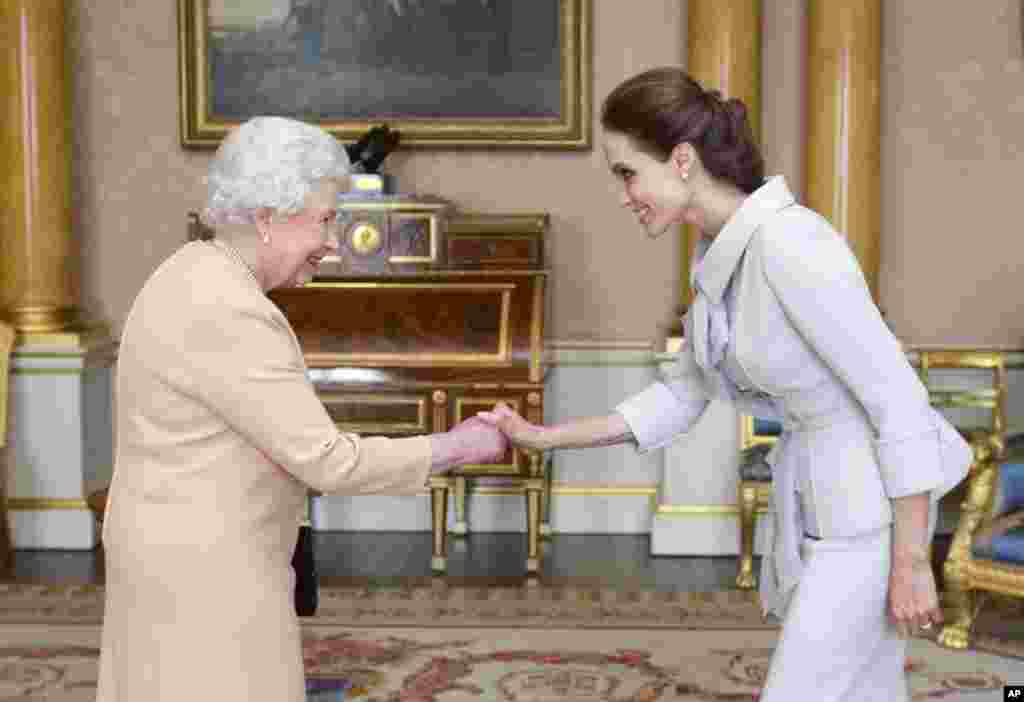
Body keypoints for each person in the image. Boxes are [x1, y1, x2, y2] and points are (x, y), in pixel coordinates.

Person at [476, 67, 971, 701]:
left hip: (867, 520)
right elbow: (683, 391)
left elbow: (899, 398)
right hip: (823, 508)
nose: (624, 195)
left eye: (627, 172)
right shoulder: (717, 254)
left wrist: (911, 561)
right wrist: (545, 437)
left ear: (681, 160)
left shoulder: (792, 244)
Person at [95, 116, 507, 702]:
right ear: (267, 218)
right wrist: (459, 446)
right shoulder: (228, 309)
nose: (334, 241)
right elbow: (327, 461)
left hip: (173, 556)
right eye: (324, 220)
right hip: (207, 578)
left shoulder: (188, 273)